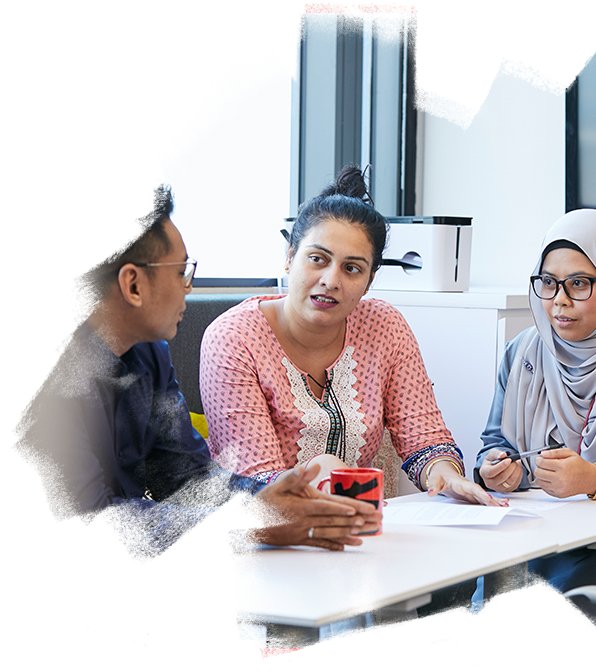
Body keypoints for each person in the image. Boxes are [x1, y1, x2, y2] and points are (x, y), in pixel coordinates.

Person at [17, 184, 381, 557]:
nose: (188, 289)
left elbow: (187, 475)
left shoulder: (148, 353)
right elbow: (88, 525)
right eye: (180, 272)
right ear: (133, 284)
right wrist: (256, 522)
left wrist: (272, 498)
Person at [201, 165, 501, 506]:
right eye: (317, 259)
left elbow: (425, 438)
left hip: (358, 528)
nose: (331, 279)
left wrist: (444, 474)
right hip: (265, 536)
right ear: (289, 258)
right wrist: (325, 472)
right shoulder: (233, 338)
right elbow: (255, 482)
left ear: (369, 282)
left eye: (352, 268)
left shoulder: (384, 326)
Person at [475, 208, 596, 601]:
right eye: (548, 283)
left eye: (578, 284)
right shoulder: (523, 351)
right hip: (529, 536)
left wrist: (590, 480)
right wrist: (496, 468)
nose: (559, 301)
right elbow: (495, 444)